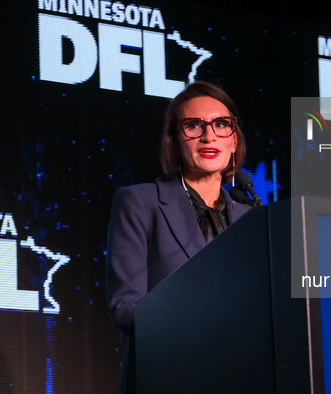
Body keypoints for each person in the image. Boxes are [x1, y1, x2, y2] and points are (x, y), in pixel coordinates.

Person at [105, 81, 251, 393]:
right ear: (175, 140)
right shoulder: (140, 202)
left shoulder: (251, 217)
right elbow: (125, 309)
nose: (208, 135)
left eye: (221, 124)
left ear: (234, 141)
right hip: (167, 377)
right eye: (193, 126)